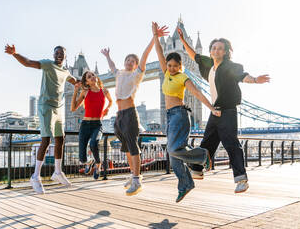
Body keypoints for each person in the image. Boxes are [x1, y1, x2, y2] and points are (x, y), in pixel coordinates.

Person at [177, 28, 270, 193]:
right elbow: (194, 56)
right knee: (207, 142)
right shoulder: (208, 67)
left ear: (226, 52)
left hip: (227, 110)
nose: (216, 50)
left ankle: (241, 179)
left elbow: (243, 76)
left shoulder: (230, 66)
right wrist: (183, 41)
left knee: (231, 143)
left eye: (220, 48)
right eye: (213, 48)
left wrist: (255, 80)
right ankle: (197, 170)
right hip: (215, 111)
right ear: (210, 51)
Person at [152, 22, 221, 202]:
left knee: (174, 149)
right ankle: (185, 184)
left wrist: (211, 108)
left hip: (180, 115)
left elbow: (197, 93)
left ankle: (201, 155)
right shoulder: (166, 74)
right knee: (173, 155)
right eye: (169, 65)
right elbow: (159, 51)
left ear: (181, 66)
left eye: (175, 65)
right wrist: (155, 35)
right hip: (169, 117)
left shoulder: (184, 77)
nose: (172, 68)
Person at [4, 44, 78, 194]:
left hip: (59, 109)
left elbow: (75, 81)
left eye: (61, 53)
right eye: (57, 53)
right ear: (53, 55)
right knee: (46, 140)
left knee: (60, 139)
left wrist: (84, 83)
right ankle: (35, 176)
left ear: (65, 56)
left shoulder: (65, 71)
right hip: (46, 106)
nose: (59, 55)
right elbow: (28, 62)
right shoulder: (47, 64)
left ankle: (57, 172)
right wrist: (15, 54)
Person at [100, 34, 154, 196]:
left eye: (133, 61)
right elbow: (112, 67)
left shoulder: (136, 74)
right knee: (126, 149)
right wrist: (108, 56)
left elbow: (144, 56)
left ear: (136, 65)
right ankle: (133, 175)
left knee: (133, 146)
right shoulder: (119, 74)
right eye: (128, 60)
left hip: (130, 113)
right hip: (119, 115)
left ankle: (137, 180)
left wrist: (153, 37)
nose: (130, 62)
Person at [71, 70, 113, 180]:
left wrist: (107, 109)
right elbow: (73, 108)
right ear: (87, 82)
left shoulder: (104, 91)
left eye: (93, 75)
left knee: (94, 143)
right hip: (85, 125)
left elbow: (111, 101)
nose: (92, 77)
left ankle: (98, 165)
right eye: (89, 77)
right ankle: (89, 162)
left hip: (97, 124)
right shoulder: (85, 92)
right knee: (82, 158)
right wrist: (76, 91)